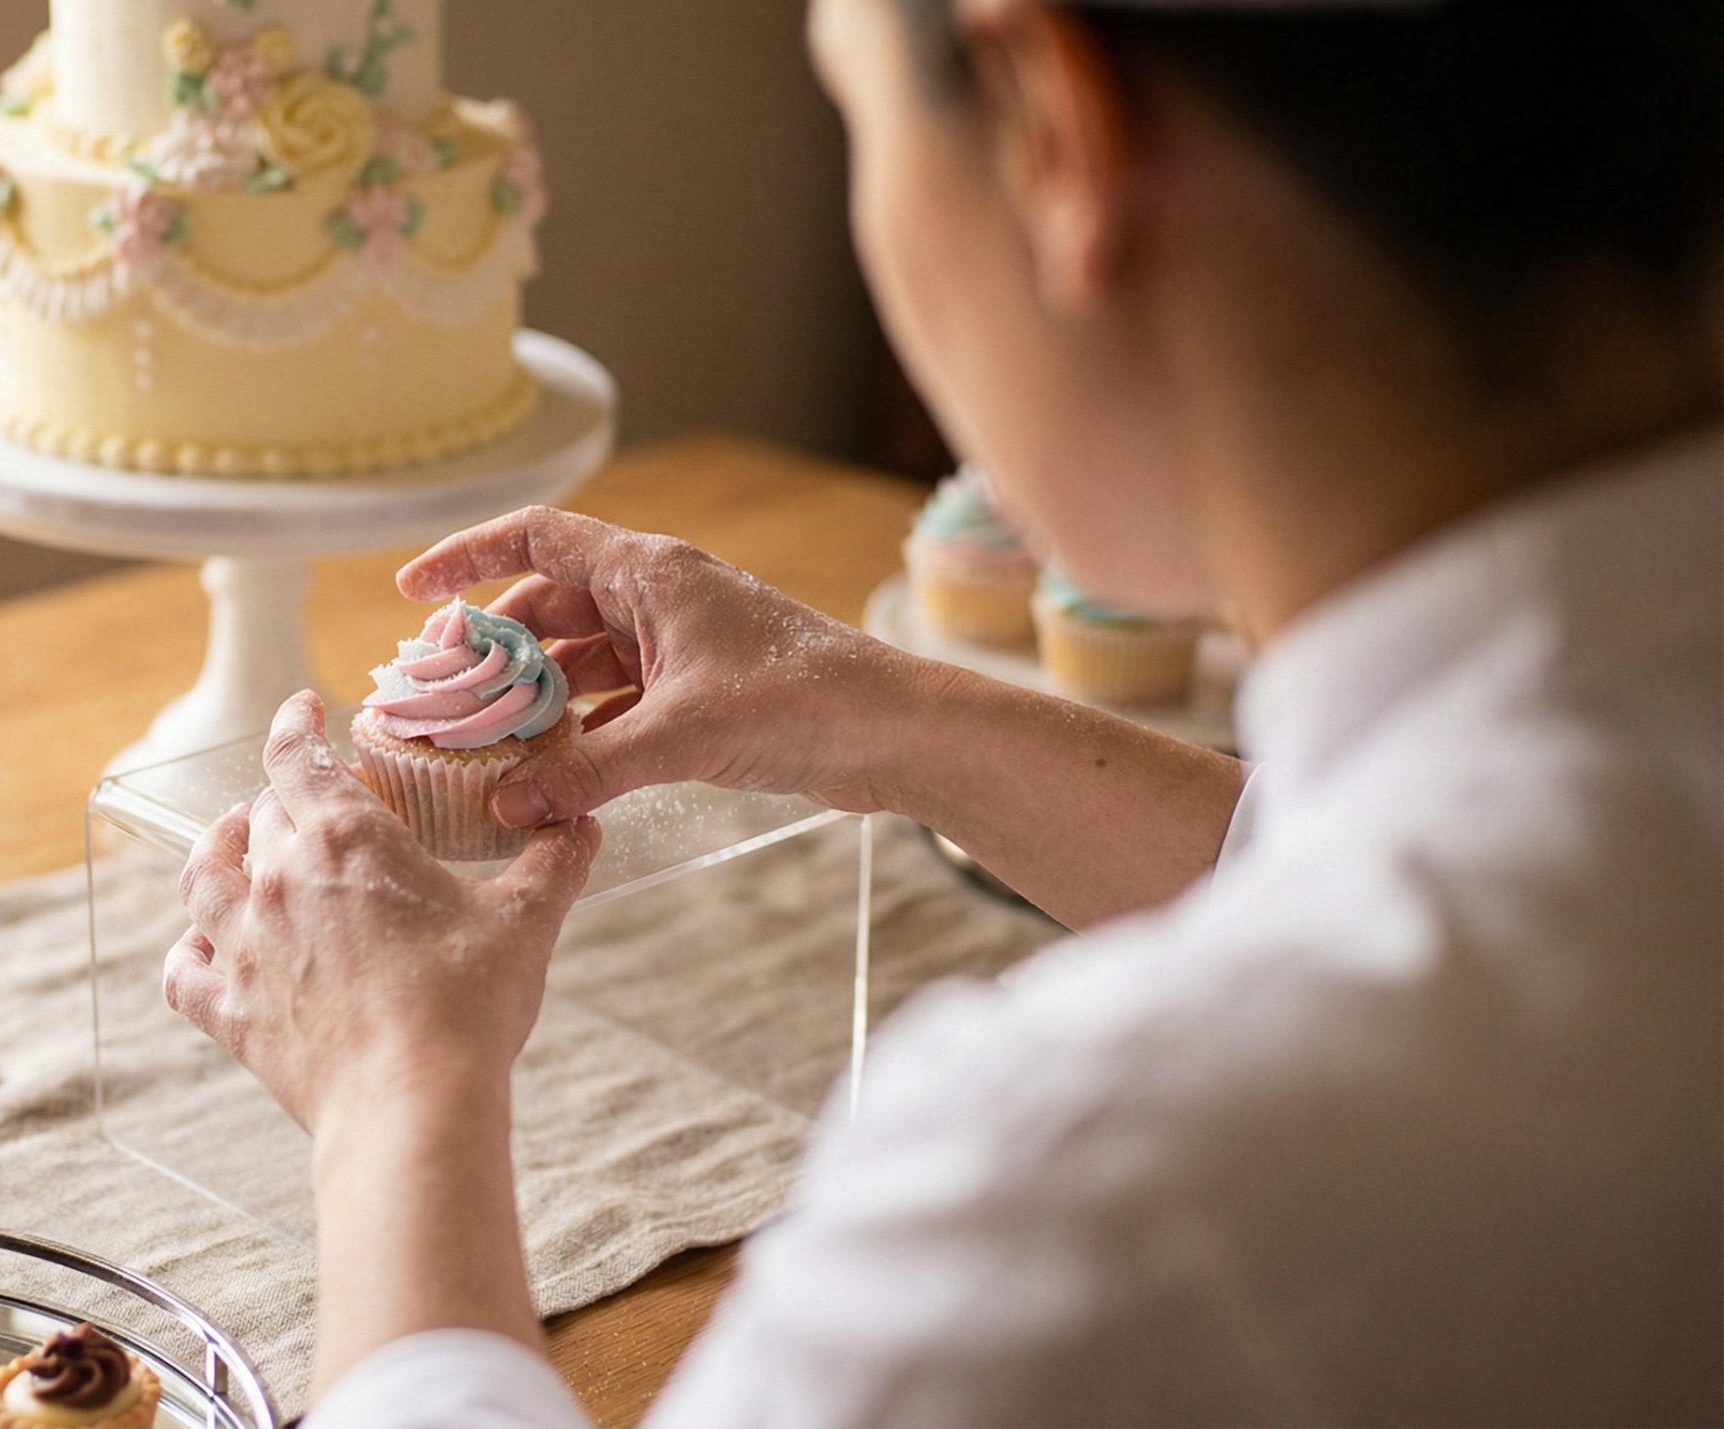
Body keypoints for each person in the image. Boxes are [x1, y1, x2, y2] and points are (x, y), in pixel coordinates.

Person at [162, 0, 1723, 1421]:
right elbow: (1457, 886)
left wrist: (394, 1095)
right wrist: (873, 709)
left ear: (1058, 129)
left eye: (860, 116)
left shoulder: (1092, 1184)